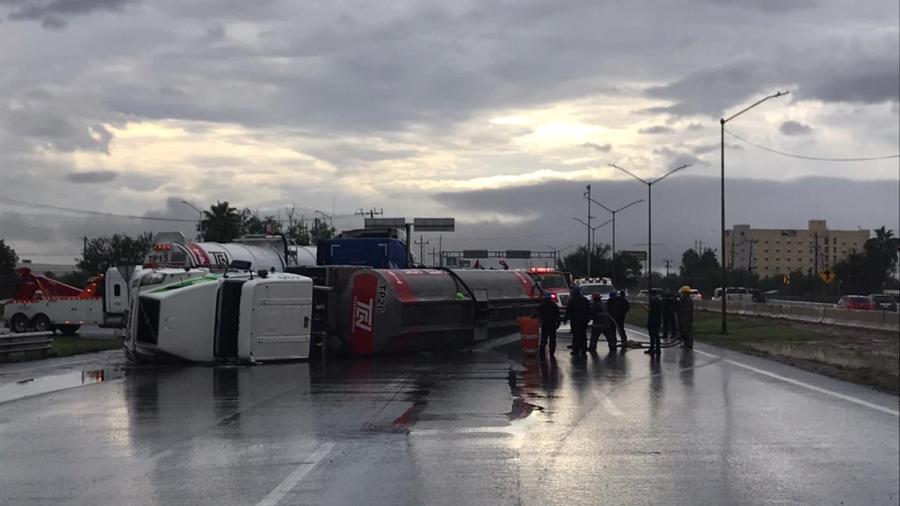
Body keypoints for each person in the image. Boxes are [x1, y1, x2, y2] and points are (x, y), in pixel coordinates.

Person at [565, 285, 591, 356]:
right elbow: (589, 310)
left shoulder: (572, 300)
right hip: (583, 321)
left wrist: (565, 319)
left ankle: (576, 350)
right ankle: (583, 350)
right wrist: (588, 319)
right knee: (583, 335)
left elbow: (568, 311)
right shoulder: (585, 300)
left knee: (576, 336)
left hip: (575, 321)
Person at [538, 292, 561, 356]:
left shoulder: (542, 305)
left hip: (545, 324)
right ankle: (551, 353)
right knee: (552, 339)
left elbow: (538, 313)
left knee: (544, 339)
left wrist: (533, 316)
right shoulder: (554, 305)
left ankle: (542, 353)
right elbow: (558, 316)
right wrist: (558, 323)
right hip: (552, 324)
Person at [645, 290, 662, 355]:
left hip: (652, 320)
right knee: (657, 335)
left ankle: (652, 348)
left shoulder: (653, 301)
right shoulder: (660, 301)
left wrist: (645, 307)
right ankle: (658, 349)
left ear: (651, 295)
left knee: (652, 335)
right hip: (658, 319)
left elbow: (650, 309)